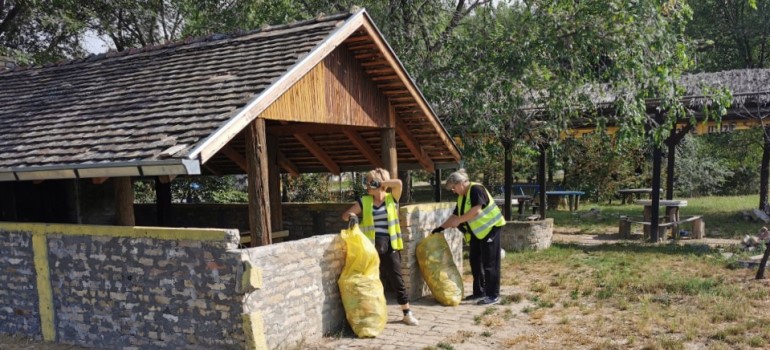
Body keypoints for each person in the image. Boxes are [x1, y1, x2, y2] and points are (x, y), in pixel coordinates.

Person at [342, 168, 419, 326]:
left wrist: (380, 183)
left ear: (378, 183)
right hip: (371, 248)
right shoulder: (365, 201)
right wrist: (352, 216)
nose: (366, 186)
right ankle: (369, 314)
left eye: (369, 182)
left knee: (397, 280)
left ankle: (407, 313)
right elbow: (345, 215)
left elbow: (398, 183)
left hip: (390, 246)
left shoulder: (392, 198)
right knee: (368, 281)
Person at [434, 169, 505, 305]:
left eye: (453, 188)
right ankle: (479, 292)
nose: (454, 191)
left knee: (490, 264)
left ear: (460, 183)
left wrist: (460, 220)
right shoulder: (461, 197)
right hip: (478, 234)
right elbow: (454, 217)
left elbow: (476, 210)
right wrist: (440, 228)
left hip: (491, 229)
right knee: (475, 262)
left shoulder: (476, 189)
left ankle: (493, 295)